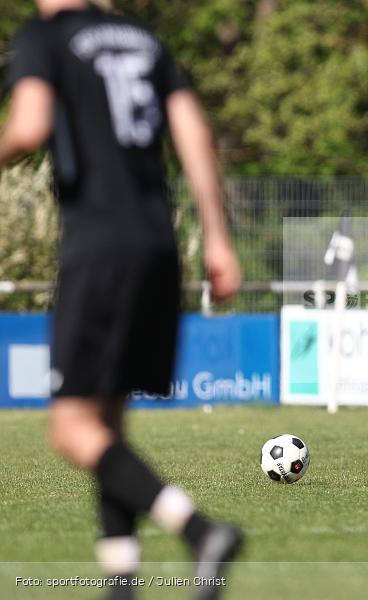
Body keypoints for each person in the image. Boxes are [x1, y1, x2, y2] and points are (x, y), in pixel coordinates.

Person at [0, 1, 242, 597]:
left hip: (98, 247)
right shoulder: (146, 40)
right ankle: (121, 581)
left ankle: (198, 529)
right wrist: (218, 239)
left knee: (70, 428)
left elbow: (30, 126)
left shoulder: (45, 37)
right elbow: (193, 133)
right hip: (159, 243)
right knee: (107, 422)